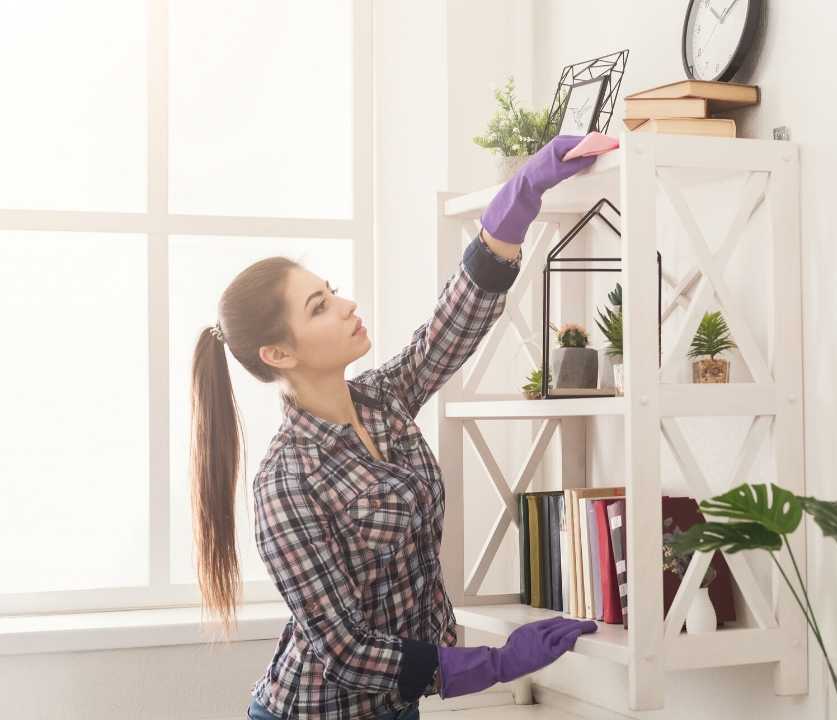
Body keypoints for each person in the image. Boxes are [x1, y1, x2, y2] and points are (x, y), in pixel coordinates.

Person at [187, 135, 599, 720]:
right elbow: (345, 651)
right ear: (278, 354)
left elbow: (450, 328)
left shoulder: (383, 400)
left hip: (397, 706)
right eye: (319, 307)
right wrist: (495, 663)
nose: (347, 304)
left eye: (330, 292)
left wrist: (519, 198)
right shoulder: (286, 481)